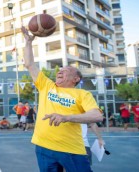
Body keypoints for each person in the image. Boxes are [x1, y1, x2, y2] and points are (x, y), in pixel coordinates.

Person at [21, 26, 103, 171]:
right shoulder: (47, 85)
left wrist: (66, 117)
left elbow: (97, 115)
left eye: (65, 71)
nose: (60, 71)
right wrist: (28, 42)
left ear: (75, 78)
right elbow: (29, 64)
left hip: (71, 149)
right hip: (43, 146)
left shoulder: (83, 94)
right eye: (59, 70)